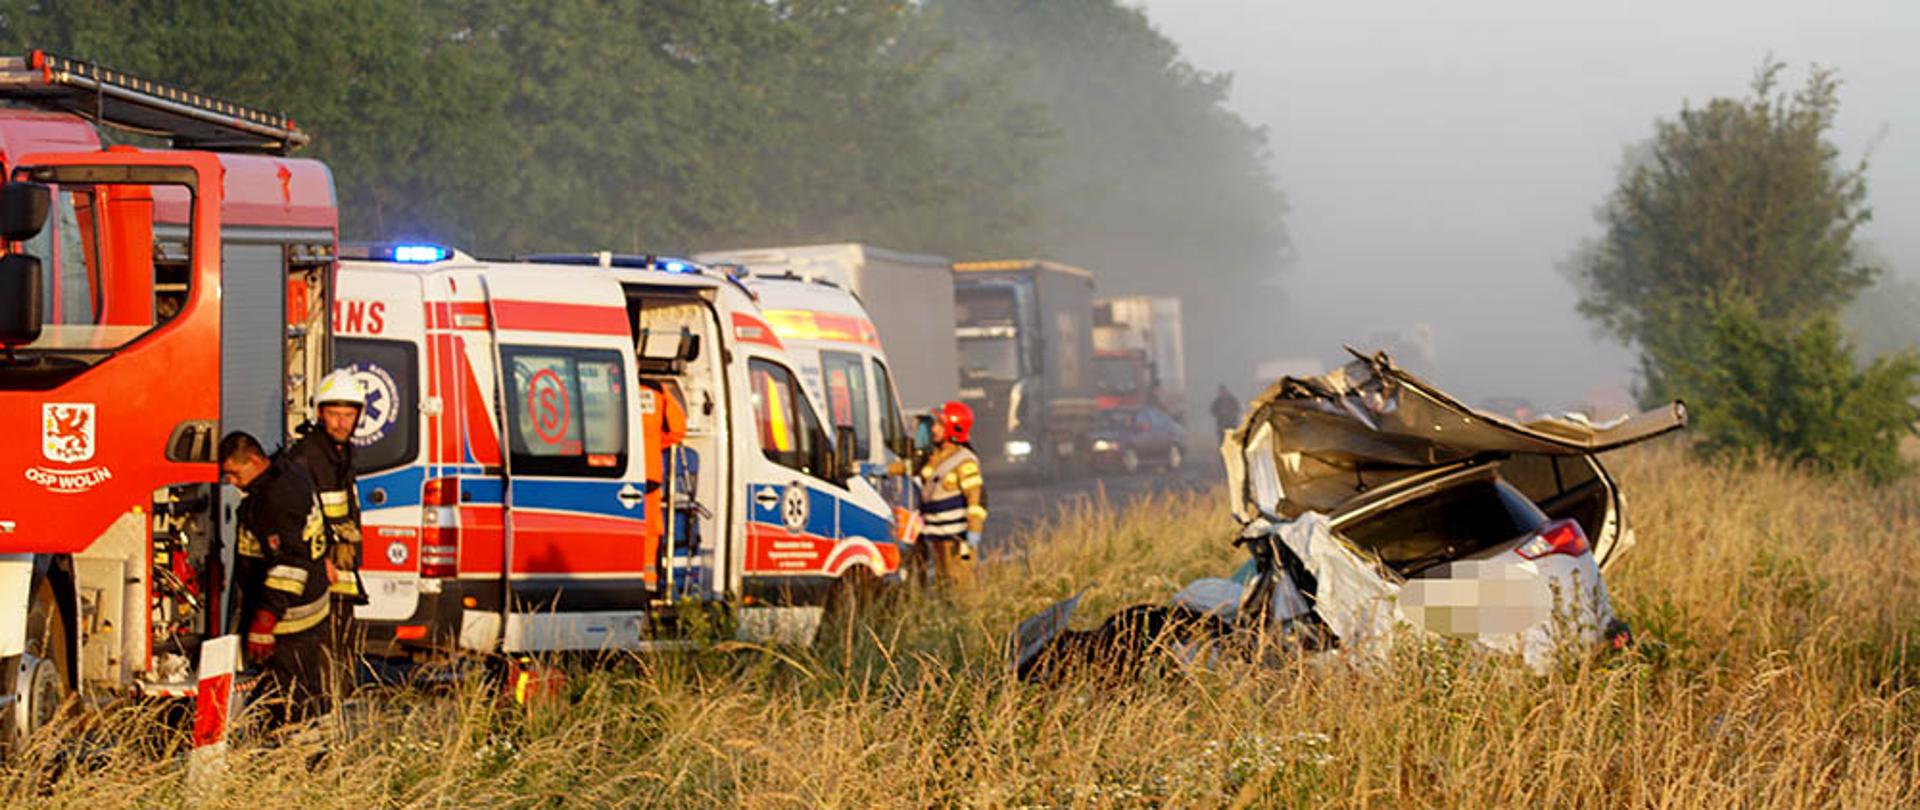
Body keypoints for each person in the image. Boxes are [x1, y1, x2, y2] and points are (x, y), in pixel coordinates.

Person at [219, 431, 333, 727]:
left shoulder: (275, 501)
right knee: (308, 690)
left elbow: (289, 565)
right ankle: (315, 753)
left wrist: (266, 619)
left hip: (288, 620)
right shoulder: (289, 471)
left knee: (288, 698)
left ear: (255, 461)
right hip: (309, 608)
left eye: (233, 473)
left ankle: (295, 757)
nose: (230, 482)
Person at [287, 370, 370, 666]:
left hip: (340, 577)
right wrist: (320, 561)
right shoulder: (306, 456)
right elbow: (296, 518)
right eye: (334, 414)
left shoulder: (342, 454)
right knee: (319, 659)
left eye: (349, 415)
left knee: (341, 657)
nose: (342, 422)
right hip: (316, 575)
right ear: (320, 413)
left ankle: (333, 707)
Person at [915, 401, 987, 591]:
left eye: (939, 424)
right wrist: (883, 469)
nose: (933, 429)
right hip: (937, 535)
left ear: (953, 428)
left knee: (961, 585)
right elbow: (915, 469)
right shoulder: (935, 457)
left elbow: (976, 500)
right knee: (943, 584)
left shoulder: (964, 461)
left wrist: (974, 530)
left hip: (957, 537)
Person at [637, 377, 688, 592]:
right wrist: (655, 442)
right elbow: (677, 430)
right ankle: (647, 582)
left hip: (611, 468)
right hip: (648, 472)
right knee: (649, 531)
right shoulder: (655, 391)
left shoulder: (604, 383)